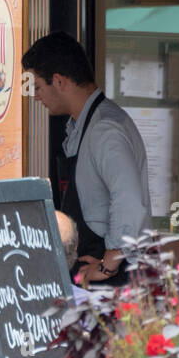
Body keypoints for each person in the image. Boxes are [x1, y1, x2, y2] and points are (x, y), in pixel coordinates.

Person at [22, 32, 152, 288]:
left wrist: (109, 262)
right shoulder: (84, 126)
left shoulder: (105, 129)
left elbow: (129, 199)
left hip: (115, 279)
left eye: (37, 86)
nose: (36, 97)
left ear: (58, 81)